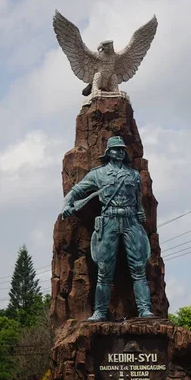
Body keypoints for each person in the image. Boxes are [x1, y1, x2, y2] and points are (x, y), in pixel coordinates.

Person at [62, 136, 154, 321]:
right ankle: (100, 311)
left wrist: (140, 213)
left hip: (130, 221)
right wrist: (67, 204)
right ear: (108, 152)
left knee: (138, 268)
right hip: (109, 220)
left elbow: (138, 200)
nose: (119, 152)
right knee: (104, 270)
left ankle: (145, 309)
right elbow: (77, 190)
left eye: (122, 149)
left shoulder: (133, 175)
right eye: (115, 149)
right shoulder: (98, 174)